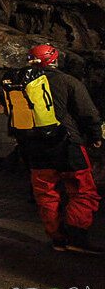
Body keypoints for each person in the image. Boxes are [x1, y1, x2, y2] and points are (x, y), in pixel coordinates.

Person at [19, 44, 102, 253]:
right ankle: (76, 236)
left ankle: (57, 238)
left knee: (46, 193)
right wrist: (94, 135)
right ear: (54, 60)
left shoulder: (22, 84)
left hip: (35, 147)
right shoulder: (67, 81)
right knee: (83, 190)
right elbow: (87, 112)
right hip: (66, 143)